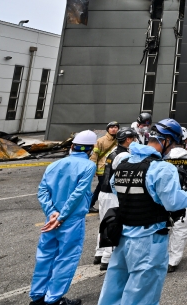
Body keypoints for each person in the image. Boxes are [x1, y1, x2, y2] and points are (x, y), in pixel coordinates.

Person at [97, 119, 187, 305]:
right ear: (167, 141)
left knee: (113, 291)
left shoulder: (123, 163)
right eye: (172, 145)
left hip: (122, 237)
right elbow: (173, 203)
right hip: (148, 240)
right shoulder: (162, 169)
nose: (171, 150)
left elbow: (116, 189)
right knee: (141, 296)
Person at [30, 131, 98, 305]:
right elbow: (77, 194)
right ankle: (53, 300)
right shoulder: (88, 166)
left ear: (72, 146)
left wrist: (51, 212)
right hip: (71, 219)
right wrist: (62, 216)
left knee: (45, 256)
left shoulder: (54, 165)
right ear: (90, 149)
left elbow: (42, 191)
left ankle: (37, 297)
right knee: (65, 258)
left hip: (51, 220)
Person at [93, 127, 136, 271]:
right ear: (128, 140)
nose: (135, 141)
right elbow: (116, 179)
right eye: (133, 138)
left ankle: (99, 253)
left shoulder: (113, 153)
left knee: (103, 223)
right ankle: (107, 259)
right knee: (113, 225)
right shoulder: (123, 156)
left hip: (103, 193)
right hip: (112, 195)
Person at [162, 127, 187, 272]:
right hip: (182, 196)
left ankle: (160, 257)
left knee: (162, 227)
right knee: (180, 229)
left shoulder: (162, 156)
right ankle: (173, 261)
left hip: (162, 196)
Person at [88, 121, 119, 212]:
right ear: (108, 129)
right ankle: (110, 207)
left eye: (115, 127)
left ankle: (90, 204)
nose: (113, 129)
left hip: (113, 168)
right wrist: (93, 169)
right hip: (102, 169)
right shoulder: (101, 140)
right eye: (111, 127)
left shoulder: (118, 140)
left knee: (100, 188)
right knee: (106, 188)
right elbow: (94, 156)